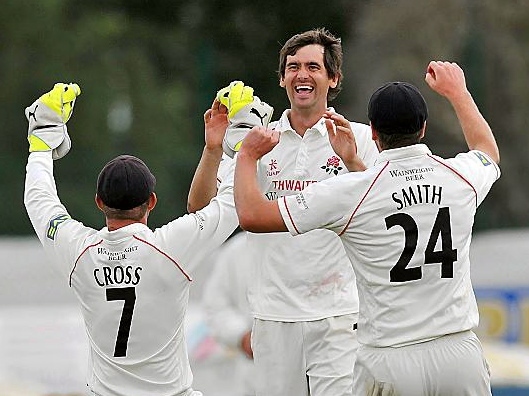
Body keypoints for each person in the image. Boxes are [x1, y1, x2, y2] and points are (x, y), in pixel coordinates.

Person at [234, 61, 500, 395]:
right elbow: (486, 151)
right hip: (458, 352)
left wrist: (246, 156)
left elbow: (252, 217)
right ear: (423, 128)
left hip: (389, 358)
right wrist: (457, 92)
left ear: (372, 131)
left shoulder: (352, 191)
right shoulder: (461, 177)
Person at [189, 28, 379, 396]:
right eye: (293, 67)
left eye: (313, 67)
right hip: (273, 316)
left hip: (338, 313)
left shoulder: (358, 138)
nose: (301, 75)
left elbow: (378, 212)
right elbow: (199, 207)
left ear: (333, 78)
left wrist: (352, 160)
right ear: (282, 78)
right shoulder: (258, 142)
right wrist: (214, 149)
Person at [23, 83, 238, 396]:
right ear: (151, 201)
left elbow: (39, 199)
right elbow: (230, 203)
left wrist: (41, 143)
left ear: (99, 202)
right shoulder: (170, 248)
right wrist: (234, 144)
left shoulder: (79, 252)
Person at [201, 229, 255, 396]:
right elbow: (216, 306)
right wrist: (243, 337)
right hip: (255, 376)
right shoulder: (236, 250)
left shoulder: (316, 238)